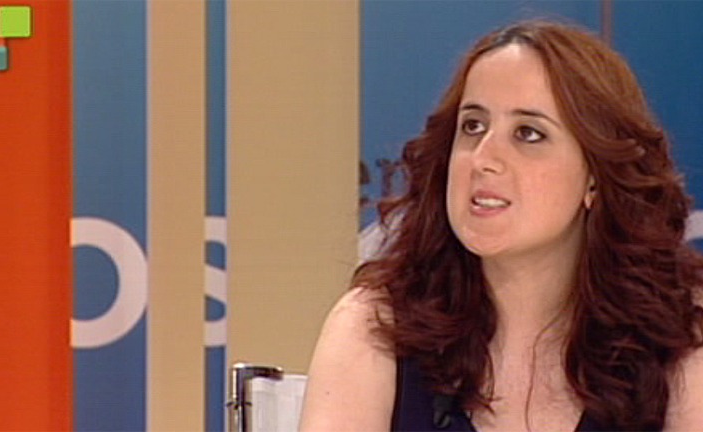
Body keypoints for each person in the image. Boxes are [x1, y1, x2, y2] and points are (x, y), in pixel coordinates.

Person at [299, 20, 703, 432]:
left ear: (595, 176)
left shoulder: (680, 336)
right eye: (473, 126)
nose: (483, 158)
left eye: (528, 133)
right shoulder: (373, 325)